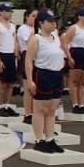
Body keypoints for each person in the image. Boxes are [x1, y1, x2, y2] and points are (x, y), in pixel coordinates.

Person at [24, 9, 67, 153]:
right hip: (43, 75)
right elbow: (28, 60)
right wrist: (30, 80)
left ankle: (49, 139)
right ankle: (39, 140)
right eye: (50, 21)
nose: (54, 23)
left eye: (55, 21)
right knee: (40, 109)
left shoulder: (56, 36)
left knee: (52, 109)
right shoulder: (36, 38)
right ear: (41, 23)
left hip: (57, 74)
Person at [60, 7, 84, 113]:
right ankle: (75, 105)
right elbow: (65, 43)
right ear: (79, 17)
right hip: (76, 52)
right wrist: (69, 57)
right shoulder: (73, 28)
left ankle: (82, 104)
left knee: (83, 82)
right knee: (74, 81)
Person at [0, 4, 20, 118]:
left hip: (11, 55)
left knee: (10, 83)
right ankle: (1, 107)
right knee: (2, 83)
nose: (9, 13)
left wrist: (16, 55)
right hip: (2, 54)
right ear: (1, 12)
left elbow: (15, 41)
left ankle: (7, 105)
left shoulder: (12, 26)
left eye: (10, 11)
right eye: (7, 11)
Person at [16, 9, 37, 124]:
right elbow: (28, 42)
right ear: (27, 17)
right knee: (28, 86)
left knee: (36, 86)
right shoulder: (23, 29)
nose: (35, 18)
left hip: (37, 56)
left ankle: (35, 112)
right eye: (33, 16)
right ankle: (28, 113)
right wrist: (34, 30)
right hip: (27, 54)